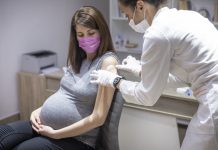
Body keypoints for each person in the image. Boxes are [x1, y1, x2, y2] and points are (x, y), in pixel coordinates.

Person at [90, 0, 218, 150]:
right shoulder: (187, 17)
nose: (129, 20)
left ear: (140, 6)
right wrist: (141, 71)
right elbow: (184, 77)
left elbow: (147, 97)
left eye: (127, 14)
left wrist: (115, 81)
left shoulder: (157, 33)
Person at [0, 6, 119, 150]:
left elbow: (98, 117)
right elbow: (63, 93)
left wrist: (56, 134)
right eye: (80, 34)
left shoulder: (108, 62)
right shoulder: (78, 59)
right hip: (44, 126)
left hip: (77, 140)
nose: (86, 38)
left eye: (91, 33)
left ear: (102, 32)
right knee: (2, 135)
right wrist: (38, 111)